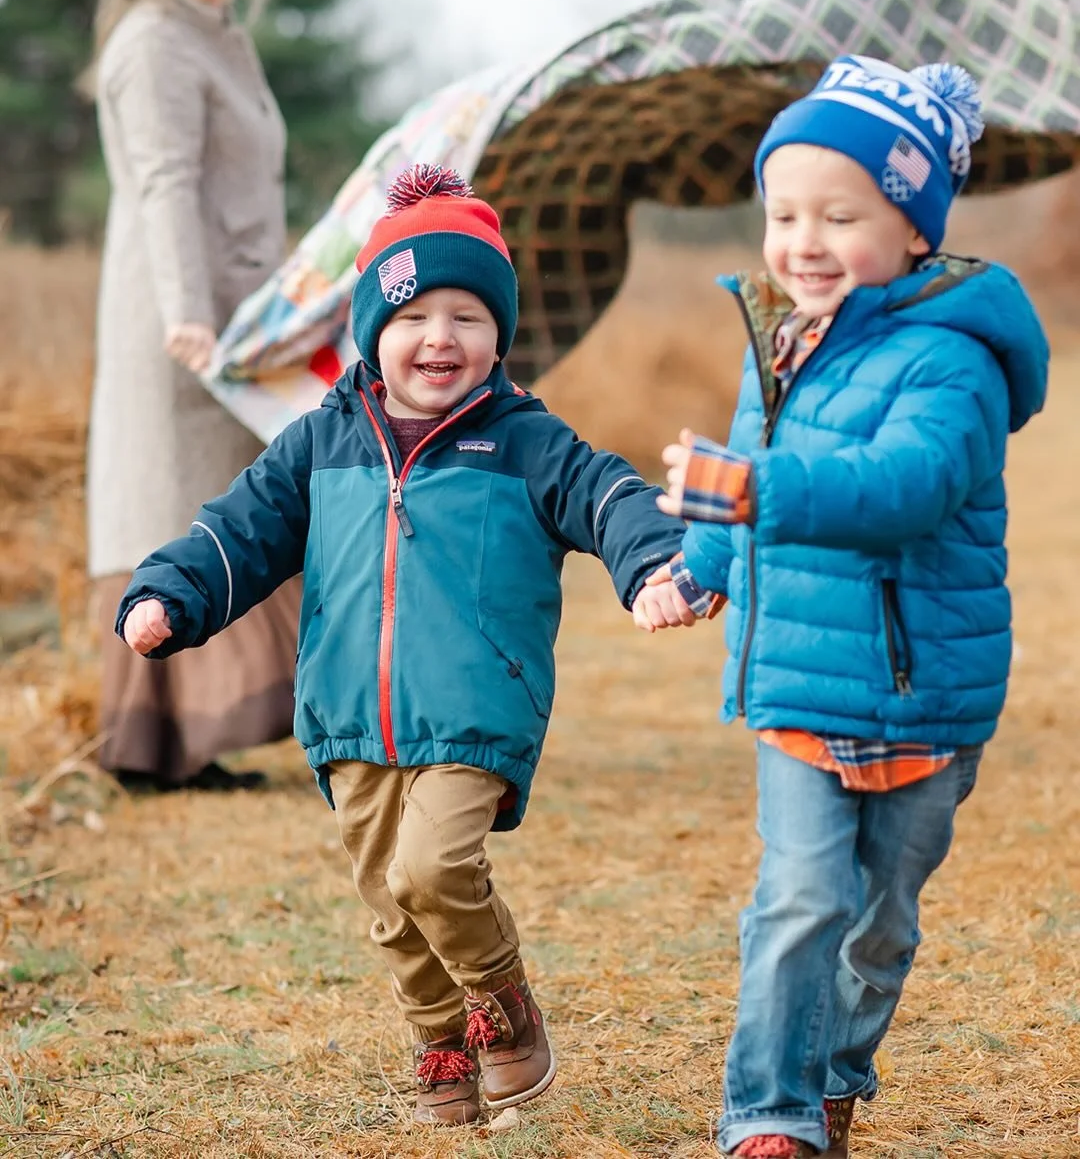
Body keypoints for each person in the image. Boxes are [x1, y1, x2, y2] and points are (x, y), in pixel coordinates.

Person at [113, 164, 695, 1125]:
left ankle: (503, 1003)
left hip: (475, 707)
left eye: (469, 316)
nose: (441, 338)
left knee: (431, 868)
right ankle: (441, 1043)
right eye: (414, 315)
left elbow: (610, 495)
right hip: (347, 712)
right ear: (372, 331)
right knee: (389, 902)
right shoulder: (319, 445)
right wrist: (169, 591)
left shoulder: (524, 442)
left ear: (500, 334)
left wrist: (653, 565)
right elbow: (237, 531)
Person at [650, 56, 1049, 1157]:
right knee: (799, 899)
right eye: (784, 215)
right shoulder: (780, 341)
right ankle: (771, 1111)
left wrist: (754, 490)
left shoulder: (954, 361)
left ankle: (836, 1071)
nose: (803, 243)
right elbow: (748, 474)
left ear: (914, 228)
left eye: (840, 216)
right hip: (798, 677)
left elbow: (908, 485)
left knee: (878, 924)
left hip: (923, 691)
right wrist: (701, 566)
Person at [84, 0, 299, 792]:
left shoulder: (219, 36)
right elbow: (166, 184)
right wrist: (187, 314)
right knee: (166, 506)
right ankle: (152, 747)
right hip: (180, 325)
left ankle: (189, 742)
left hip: (234, 320)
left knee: (214, 505)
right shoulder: (154, 43)